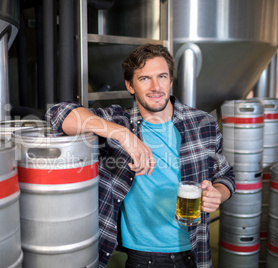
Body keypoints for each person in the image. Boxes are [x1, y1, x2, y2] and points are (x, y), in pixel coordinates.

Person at [46, 43, 235, 268]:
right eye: (145, 78)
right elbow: (57, 114)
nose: (156, 87)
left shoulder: (203, 123)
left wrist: (219, 194)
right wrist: (121, 134)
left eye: (162, 77)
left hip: (195, 251)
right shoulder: (117, 122)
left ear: (171, 80)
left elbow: (225, 176)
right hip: (142, 257)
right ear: (130, 86)